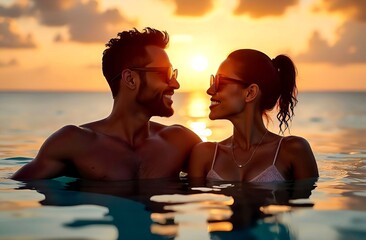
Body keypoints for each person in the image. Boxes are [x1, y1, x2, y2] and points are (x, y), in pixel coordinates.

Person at [12, 27, 201, 181]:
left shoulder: (181, 141)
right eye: (165, 74)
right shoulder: (75, 143)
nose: (175, 84)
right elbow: (14, 194)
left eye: (174, 74)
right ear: (130, 79)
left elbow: (226, 165)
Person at [188, 49, 318, 182]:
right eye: (212, 82)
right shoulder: (205, 154)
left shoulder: (293, 151)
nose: (210, 90)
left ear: (250, 92)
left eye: (220, 82)